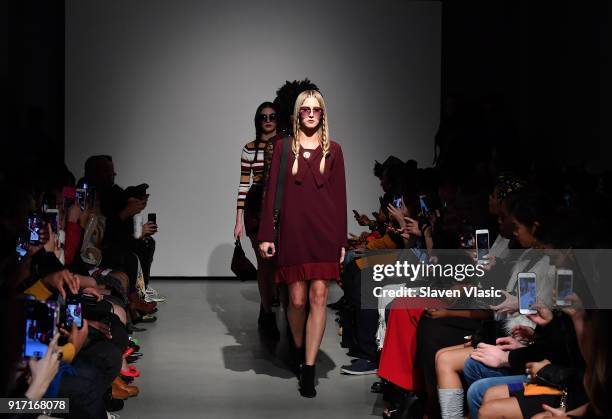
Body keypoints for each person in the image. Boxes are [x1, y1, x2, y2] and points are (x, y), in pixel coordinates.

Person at [258, 90, 347, 398]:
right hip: (294, 233)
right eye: (306, 109)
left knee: (319, 296)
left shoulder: (334, 150)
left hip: (324, 233)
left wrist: (341, 240)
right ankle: (298, 348)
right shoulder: (283, 148)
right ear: (297, 114)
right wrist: (266, 236)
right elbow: (271, 194)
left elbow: (339, 198)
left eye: (316, 110)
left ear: (323, 114)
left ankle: (308, 368)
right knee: (296, 299)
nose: (311, 114)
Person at [234, 101, 280, 338]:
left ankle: (274, 306)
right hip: (255, 206)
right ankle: (267, 310)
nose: (268, 120)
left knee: (281, 261)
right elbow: (244, 184)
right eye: (263, 117)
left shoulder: (285, 146)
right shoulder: (249, 148)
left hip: (280, 206)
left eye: (272, 116)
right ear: (257, 120)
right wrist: (238, 219)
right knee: (264, 262)